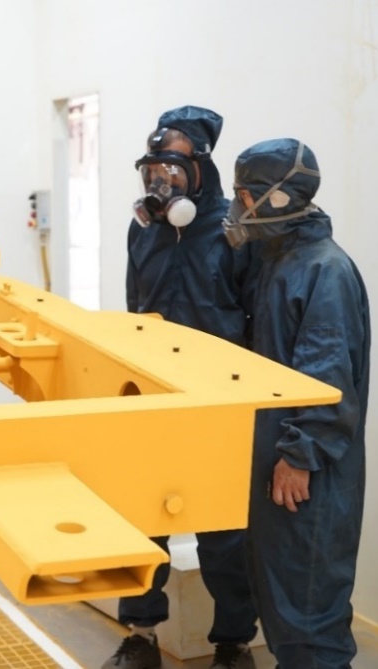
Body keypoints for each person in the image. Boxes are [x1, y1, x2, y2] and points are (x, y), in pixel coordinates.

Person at [106, 106, 259, 669]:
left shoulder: (233, 233)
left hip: (218, 402)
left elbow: (255, 321)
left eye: (171, 170)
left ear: (201, 169)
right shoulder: (142, 230)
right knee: (144, 519)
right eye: (152, 171)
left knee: (223, 532)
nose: (160, 183)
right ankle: (141, 635)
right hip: (154, 399)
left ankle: (233, 644)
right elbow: (135, 309)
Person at [223, 139, 370, 668]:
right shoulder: (278, 260)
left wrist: (300, 455)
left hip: (309, 473)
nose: (237, 206)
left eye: (245, 195)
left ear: (278, 198)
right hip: (279, 455)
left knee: (310, 610)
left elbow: (327, 376)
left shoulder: (323, 270)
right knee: (284, 603)